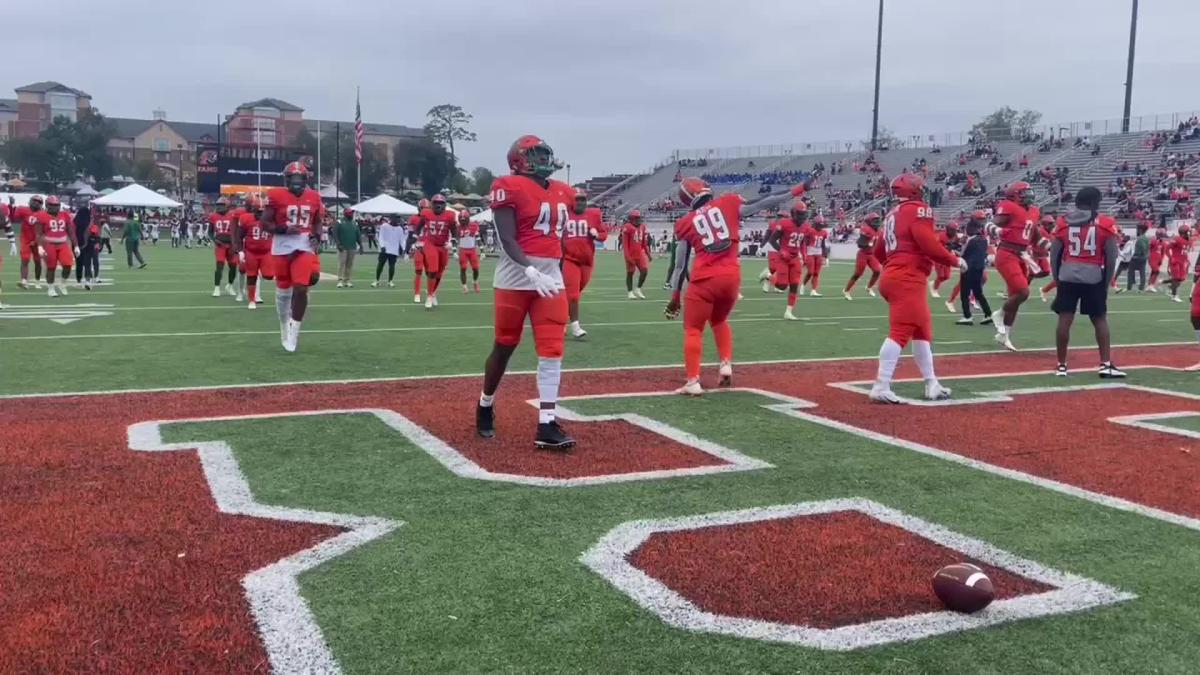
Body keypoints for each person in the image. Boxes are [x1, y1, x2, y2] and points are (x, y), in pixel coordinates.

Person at [475, 134, 574, 449]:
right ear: (518, 159)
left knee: (552, 350)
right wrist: (530, 270)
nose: (543, 159)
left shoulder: (563, 192)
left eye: (545, 154)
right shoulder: (508, 185)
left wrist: (554, 268)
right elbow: (506, 238)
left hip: (550, 280)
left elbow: (558, 237)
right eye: (535, 154)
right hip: (515, 278)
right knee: (505, 345)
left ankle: (546, 424)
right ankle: (485, 403)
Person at [665, 176, 807, 395]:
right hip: (731, 277)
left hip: (704, 279)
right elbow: (764, 202)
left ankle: (693, 382)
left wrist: (675, 296)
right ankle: (725, 365)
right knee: (720, 320)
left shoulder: (684, 223)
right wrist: (797, 190)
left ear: (686, 199)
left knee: (693, 329)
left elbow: (680, 265)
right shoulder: (728, 202)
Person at [868, 173, 966, 403]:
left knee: (922, 330)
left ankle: (932, 383)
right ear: (913, 190)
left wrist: (894, 267)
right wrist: (954, 260)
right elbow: (927, 243)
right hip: (907, 277)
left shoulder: (893, 214)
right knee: (901, 332)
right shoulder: (917, 210)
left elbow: (879, 251)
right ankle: (881, 386)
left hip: (896, 275)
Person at [1049, 186, 1124, 378]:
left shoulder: (1063, 222)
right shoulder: (1106, 223)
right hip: (1093, 276)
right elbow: (1111, 258)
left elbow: (1054, 255)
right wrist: (1106, 283)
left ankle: (1061, 365)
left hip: (1067, 275)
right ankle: (1105, 364)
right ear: (1095, 202)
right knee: (1099, 319)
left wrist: (1058, 279)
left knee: (1065, 319)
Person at [262, 161, 325, 353]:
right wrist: (283, 228)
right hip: (282, 245)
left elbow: (317, 222)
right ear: (287, 179)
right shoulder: (276, 195)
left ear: (305, 180)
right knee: (283, 290)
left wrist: (317, 235)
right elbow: (265, 222)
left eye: (300, 178)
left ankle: (294, 329)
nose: (297, 182)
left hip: (304, 244)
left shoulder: (314, 197)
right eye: (293, 178)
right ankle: (283, 324)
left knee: (301, 287)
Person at [990, 181, 1042, 351]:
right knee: (1023, 292)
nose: (1029, 195)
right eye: (1025, 192)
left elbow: (1034, 234)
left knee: (1016, 299)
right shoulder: (1008, 206)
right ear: (1014, 194)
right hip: (1006, 253)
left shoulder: (1034, 211)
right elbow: (992, 223)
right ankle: (998, 313)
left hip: (1022, 255)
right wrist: (996, 230)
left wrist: (1048, 245)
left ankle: (1004, 336)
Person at [562, 189, 608, 337]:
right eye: (577, 199)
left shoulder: (593, 214)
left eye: (583, 199)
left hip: (587, 261)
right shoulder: (564, 213)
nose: (580, 202)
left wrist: (596, 234)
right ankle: (575, 327)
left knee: (574, 294)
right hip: (569, 259)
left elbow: (604, 234)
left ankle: (561, 318)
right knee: (573, 295)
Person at [767, 201, 808, 320]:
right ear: (794, 213)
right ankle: (768, 276)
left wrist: (804, 255)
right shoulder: (784, 223)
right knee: (782, 286)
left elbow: (803, 243)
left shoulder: (805, 226)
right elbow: (772, 240)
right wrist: (781, 250)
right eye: (799, 214)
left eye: (803, 214)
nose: (801, 217)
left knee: (794, 285)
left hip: (795, 258)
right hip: (784, 258)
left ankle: (788, 312)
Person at [233, 197, 272, 309]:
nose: (260, 214)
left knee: (268, 275)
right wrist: (240, 250)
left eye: (262, 212)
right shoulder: (246, 218)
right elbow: (239, 236)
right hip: (251, 252)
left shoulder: (271, 219)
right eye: (258, 212)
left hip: (266, 252)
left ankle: (254, 295)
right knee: (251, 276)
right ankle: (252, 300)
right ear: (253, 210)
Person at [37, 197, 79, 298]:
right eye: (53, 205)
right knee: (51, 267)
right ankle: (51, 289)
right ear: (47, 205)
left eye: (57, 205)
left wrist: (76, 245)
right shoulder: (41, 215)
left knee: (68, 264)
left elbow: (71, 232)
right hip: (49, 244)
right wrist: (39, 246)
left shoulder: (64, 215)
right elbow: (38, 233)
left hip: (63, 243)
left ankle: (62, 283)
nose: (55, 207)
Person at [954, 219, 994, 325]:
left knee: (964, 294)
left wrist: (954, 250)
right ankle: (988, 314)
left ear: (972, 228)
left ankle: (967, 316)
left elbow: (963, 254)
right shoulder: (984, 240)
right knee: (978, 293)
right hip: (979, 268)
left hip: (968, 269)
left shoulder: (970, 240)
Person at [421, 194, 458, 309]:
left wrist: (452, 242)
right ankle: (429, 295)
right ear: (432, 204)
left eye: (441, 203)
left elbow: (454, 231)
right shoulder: (426, 213)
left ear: (444, 205)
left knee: (439, 273)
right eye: (436, 203)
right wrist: (416, 240)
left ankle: (433, 293)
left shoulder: (450, 215)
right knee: (432, 270)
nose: (438, 205)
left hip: (443, 246)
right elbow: (418, 227)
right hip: (430, 244)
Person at [843, 212, 882, 299]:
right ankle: (846, 290)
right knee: (858, 274)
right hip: (863, 254)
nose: (877, 222)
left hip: (872, 255)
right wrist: (869, 244)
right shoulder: (866, 229)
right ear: (869, 221)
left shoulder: (879, 231)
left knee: (877, 271)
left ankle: (869, 287)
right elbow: (860, 244)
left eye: (877, 220)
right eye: (874, 220)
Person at [13, 195, 46, 289]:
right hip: (25, 239)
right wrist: (12, 205)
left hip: (38, 240)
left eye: (39, 202)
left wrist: (36, 241)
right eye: (35, 201)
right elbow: (14, 217)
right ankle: (24, 281)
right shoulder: (23, 210)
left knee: (38, 261)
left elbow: (44, 230)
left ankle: (37, 281)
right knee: (25, 259)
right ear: (31, 201)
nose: (36, 203)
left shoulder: (43, 214)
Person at [209, 198, 238, 298]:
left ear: (227, 206)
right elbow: (210, 232)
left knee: (233, 266)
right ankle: (216, 288)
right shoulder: (213, 216)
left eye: (221, 205)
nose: (219, 207)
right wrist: (214, 240)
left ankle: (230, 286)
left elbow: (237, 230)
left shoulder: (233, 215)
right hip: (220, 245)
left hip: (231, 245)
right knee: (219, 266)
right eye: (218, 205)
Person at [621, 210, 650, 299]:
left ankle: (638, 288)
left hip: (639, 253)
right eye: (636, 218)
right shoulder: (627, 227)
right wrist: (627, 256)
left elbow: (644, 243)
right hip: (631, 253)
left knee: (644, 271)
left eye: (639, 218)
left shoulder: (642, 227)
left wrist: (648, 254)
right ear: (631, 219)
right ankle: (630, 292)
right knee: (630, 273)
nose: (638, 220)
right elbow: (625, 244)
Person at [800, 215, 830, 296]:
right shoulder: (810, 231)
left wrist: (826, 256)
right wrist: (803, 253)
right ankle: (803, 285)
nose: (821, 226)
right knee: (810, 272)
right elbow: (803, 242)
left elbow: (823, 245)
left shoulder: (824, 232)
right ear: (815, 224)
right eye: (819, 225)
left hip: (819, 253)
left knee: (816, 273)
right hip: (810, 252)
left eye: (821, 225)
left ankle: (813, 290)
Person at [457, 208, 483, 293]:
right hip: (462, 250)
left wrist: (482, 251)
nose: (462, 221)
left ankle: (475, 282)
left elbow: (478, 238)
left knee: (476, 268)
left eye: (464, 219)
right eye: (461, 219)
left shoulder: (473, 225)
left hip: (472, 250)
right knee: (463, 268)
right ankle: (464, 286)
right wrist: (454, 251)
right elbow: (454, 239)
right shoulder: (458, 227)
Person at [373, 215, 403, 288]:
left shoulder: (400, 229)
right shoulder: (384, 226)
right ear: (391, 218)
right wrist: (382, 246)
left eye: (398, 219)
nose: (397, 220)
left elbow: (402, 240)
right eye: (396, 218)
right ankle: (377, 280)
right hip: (385, 249)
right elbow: (381, 237)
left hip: (394, 250)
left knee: (392, 266)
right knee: (380, 264)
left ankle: (390, 281)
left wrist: (403, 248)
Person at [334, 208, 360, 288]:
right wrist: (338, 244)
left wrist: (361, 246)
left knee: (349, 265)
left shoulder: (354, 223)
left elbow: (358, 235)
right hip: (343, 247)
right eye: (350, 213)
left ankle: (347, 280)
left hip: (352, 246)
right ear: (345, 214)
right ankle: (340, 280)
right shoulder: (339, 222)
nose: (351, 214)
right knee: (341, 264)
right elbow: (335, 233)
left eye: (352, 213)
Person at [1166, 225, 1192, 303]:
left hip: (1182, 262)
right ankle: (1174, 296)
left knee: (1181, 279)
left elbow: (1185, 252)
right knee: (1176, 278)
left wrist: (1187, 260)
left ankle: (1170, 287)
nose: (1189, 233)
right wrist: (1171, 257)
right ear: (1184, 232)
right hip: (1175, 261)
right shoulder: (1177, 239)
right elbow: (1167, 248)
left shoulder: (1189, 241)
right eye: (1188, 231)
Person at [407, 212, 426, 302]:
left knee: (432, 272)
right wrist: (409, 248)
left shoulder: (434, 217)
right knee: (418, 271)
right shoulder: (414, 218)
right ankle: (417, 293)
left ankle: (431, 292)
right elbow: (410, 235)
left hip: (430, 248)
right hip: (419, 247)